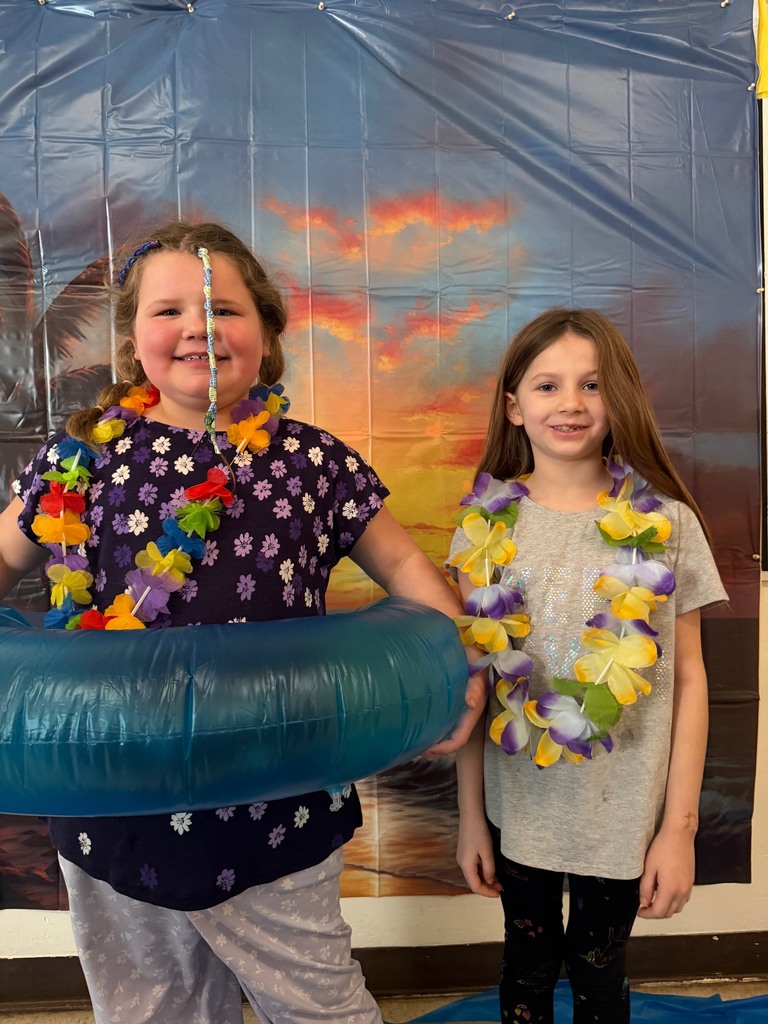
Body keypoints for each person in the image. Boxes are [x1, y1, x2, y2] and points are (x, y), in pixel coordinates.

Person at [0, 220, 480, 1024]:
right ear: (131, 339)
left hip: (275, 803)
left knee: (319, 1006)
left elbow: (402, 568)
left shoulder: (314, 463)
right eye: (169, 311)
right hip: (113, 804)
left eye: (223, 308)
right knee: (152, 1011)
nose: (198, 327)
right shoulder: (77, 459)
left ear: (266, 331)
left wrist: (457, 664)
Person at [448, 308, 727, 1024]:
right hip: (522, 810)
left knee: (601, 979)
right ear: (514, 406)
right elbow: (475, 687)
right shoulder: (484, 530)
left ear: (620, 398)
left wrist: (679, 827)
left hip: (622, 812)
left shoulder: (667, 524)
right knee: (526, 971)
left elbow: (691, 680)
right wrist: (471, 819)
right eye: (547, 386)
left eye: (592, 385)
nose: (570, 403)